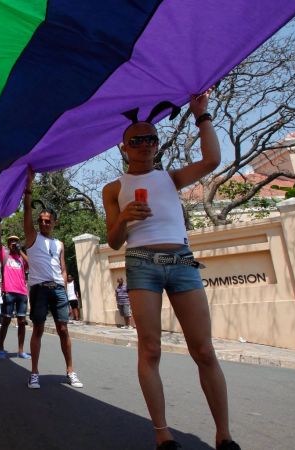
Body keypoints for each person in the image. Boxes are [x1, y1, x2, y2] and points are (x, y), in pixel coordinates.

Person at [102, 91, 238, 450]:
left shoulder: (170, 178)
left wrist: (202, 114)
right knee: (149, 349)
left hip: (180, 260)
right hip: (141, 263)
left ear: (157, 145)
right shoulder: (114, 189)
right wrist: (126, 219)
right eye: (137, 140)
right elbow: (114, 242)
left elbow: (212, 159)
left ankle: (224, 435)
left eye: (151, 139)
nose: (145, 145)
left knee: (204, 349)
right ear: (124, 148)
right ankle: (162, 433)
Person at [22, 169, 83, 390]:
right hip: (39, 289)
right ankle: (34, 373)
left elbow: (64, 268)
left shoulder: (59, 244)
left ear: (54, 222)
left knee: (64, 329)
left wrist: (64, 286)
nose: (44, 224)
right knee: (38, 329)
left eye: (48, 221)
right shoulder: (32, 237)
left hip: (58, 289)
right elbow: (26, 213)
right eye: (41, 221)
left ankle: (70, 371)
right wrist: (28, 188)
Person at [0, 221, 30, 359]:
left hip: (22, 293)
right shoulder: (4, 256)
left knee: (22, 321)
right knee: (6, 321)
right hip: (9, 292)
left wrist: (20, 250)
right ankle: (1, 347)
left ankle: (21, 351)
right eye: (11, 242)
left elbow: (31, 265)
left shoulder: (21, 259)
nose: (13, 243)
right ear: (8, 244)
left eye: (16, 241)